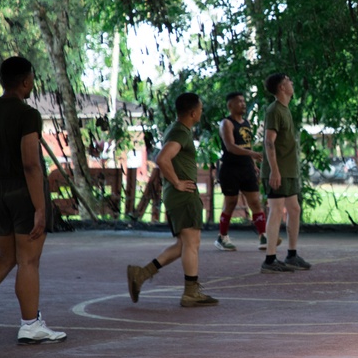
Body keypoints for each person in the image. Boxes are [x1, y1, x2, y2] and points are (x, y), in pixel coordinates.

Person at [0, 56, 66, 344]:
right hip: (24, 191)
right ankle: (30, 324)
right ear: (26, 81)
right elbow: (31, 164)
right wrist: (39, 207)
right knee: (28, 260)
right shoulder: (27, 114)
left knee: (7, 256)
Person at [127, 92, 218, 308]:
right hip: (183, 195)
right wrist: (178, 182)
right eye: (201, 109)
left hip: (178, 195)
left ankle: (141, 274)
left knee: (184, 245)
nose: (201, 112)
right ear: (193, 112)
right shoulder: (181, 133)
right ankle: (190, 292)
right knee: (192, 243)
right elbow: (162, 158)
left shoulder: (177, 130)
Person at [259, 73, 311, 274]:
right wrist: (274, 171)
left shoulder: (285, 110)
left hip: (289, 170)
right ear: (281, 87)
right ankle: (270, 259)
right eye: (288, 81)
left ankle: (291, 254)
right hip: (278, 171)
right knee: (276, 210)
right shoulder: (274, 110)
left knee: (294, 209)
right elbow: (269, 141)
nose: (292, 83)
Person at [214, 91, 267, 251]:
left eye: (244, 101)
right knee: (230, 202)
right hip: (230, 168)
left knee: (255, 202)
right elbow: (230, 146)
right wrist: (252, 154)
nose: (243, 104)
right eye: (239, 102)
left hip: (246, 168)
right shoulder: (226, 123)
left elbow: (247, 146)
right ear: (230, 105)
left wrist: (253, 163)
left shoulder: (247, 124)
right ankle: (222, 237)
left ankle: (263, 236)